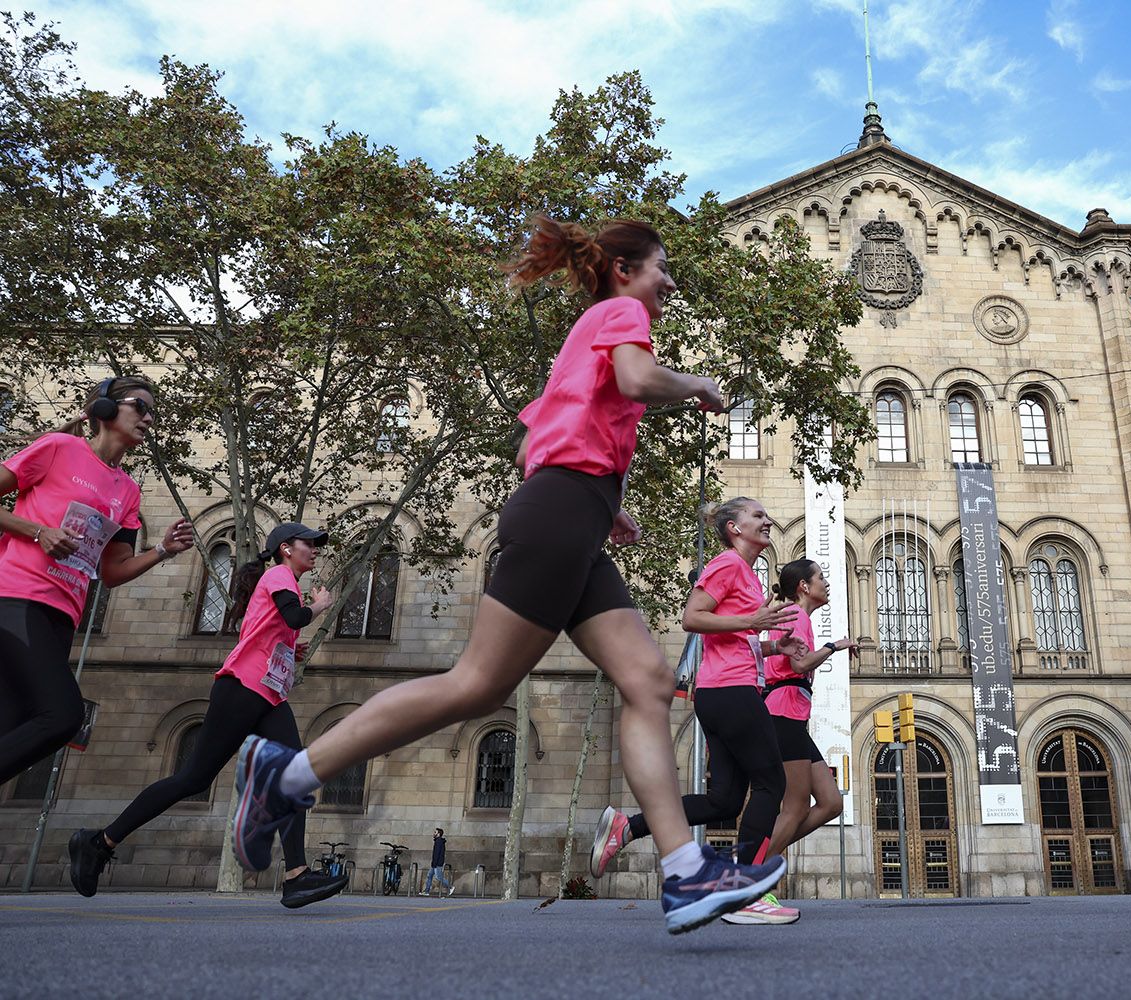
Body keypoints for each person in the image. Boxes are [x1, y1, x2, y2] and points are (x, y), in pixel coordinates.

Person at [228, 217, 786, 935]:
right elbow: (638, 379)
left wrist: (602, 504)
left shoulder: (581, 338)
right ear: (624, 269)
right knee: (476, 685)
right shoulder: (619, 313)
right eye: (660, 268)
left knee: (648, 680)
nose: (668, 281)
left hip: (573, 518)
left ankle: (683, 874)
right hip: (562, 515)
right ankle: (289, 776)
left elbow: (534, 440)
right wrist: (699, 384)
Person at [68, 522, 345, 907]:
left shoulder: (281, 583)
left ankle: (297, 876)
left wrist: (290, 649)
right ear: (285, 549)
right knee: (193, 777)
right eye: (309, 544)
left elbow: (267, 631)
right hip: (242, 690)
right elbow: (295, 618)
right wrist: (319, 605)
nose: (315, 550)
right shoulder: (280, 576)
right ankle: (100, 842)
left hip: (268, 696)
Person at [591, 497, 805, 926]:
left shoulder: (744, 573)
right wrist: (753, 621)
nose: (768, 520)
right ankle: (746, 892)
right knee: (771, 782)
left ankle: (626, 828)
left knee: (723, 799)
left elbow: (731, 639)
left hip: (724, 689)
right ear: (734, 529)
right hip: (731, 692)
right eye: (757, 516)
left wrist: (770, 645)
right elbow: (692, 618)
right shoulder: (727, 564)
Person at [0, 376, 194, 785]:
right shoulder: (59, 448)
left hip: (63, 615)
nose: (149, 418)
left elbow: (113, 572)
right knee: (62, 715)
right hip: (15, 597)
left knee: (14, 724)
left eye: (152, 412)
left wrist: (162, 550)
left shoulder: (128, 492)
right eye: (140, 407)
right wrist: (38, 531)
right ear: (105, 410)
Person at [753, 559, 853, 883]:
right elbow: (799, 665)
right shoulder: (796, 614)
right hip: (782, 714)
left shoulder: (799, 618)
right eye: (821, 578)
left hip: (793, 716)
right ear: (804, 587)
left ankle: (758, 857)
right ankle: (752, 872)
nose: (827, 584)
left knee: (831, 802)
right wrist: (833, 646)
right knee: (794, 807)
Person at [421, 827, 454, 897]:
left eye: (435, 832)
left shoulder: (439, 842)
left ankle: (450, 887)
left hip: (437, 863)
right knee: (429, 875)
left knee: (438, 877)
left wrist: (434, 863)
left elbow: (437, 854)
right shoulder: (438, 841)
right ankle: (426, 891)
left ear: (438, 834)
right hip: (435, 863)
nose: (434, 833)